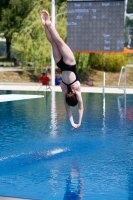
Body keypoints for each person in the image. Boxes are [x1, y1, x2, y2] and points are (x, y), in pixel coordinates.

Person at [40, 10, 83, 130]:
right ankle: (46, 24)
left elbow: (80, 108)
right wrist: (72, 123)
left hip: (70, 63)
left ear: (75, 95)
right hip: (61, 65)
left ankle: (48, 23)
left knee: (59, 42)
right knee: (53, 43)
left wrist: (78, 122)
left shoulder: (77, 90)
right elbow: (68, 110)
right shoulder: (64, 91)